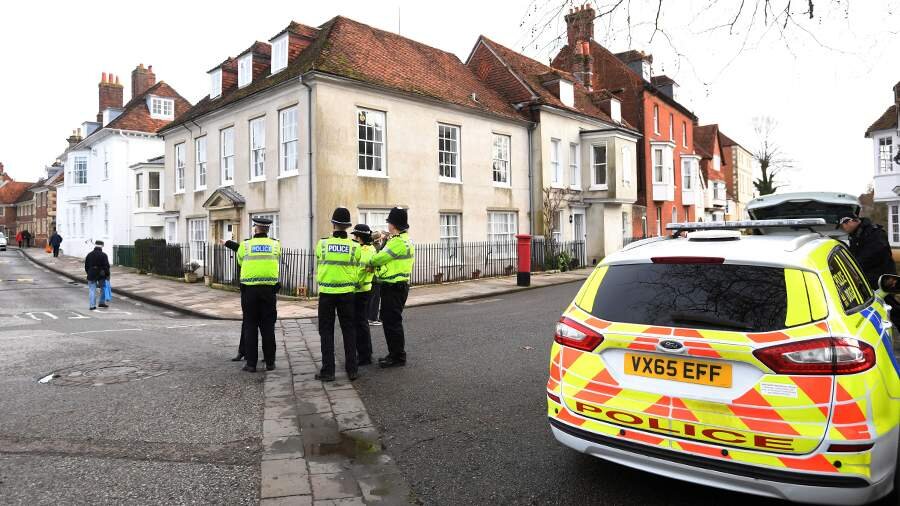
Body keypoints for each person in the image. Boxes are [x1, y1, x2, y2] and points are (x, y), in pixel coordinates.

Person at [315, 207, 361, 382]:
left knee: (326, 331)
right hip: (347, 293)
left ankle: (328, 371)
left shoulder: (323, 244)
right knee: (349, 330)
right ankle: (352, 370)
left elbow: (319, 259)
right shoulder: (354, 246)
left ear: (333, 224)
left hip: (327, 293)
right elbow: (357, 264)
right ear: (348, 226)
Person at [367, 207, 415, 368]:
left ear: (393, 224)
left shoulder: (397, 242)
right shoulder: (404, 240)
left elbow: (378, 259)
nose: (387, 226)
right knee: (391, 321)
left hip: (394, 287)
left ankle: (397, 357)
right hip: (397, 286)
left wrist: (372, 259)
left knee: (392, 322)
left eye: (389, 223)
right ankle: (394, 354)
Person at [236, 217, 281, 373]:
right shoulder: (276, 245)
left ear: (255, 228)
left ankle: (251, 364)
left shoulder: (245, 245)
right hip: (269, 291)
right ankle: (270, 362)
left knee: (250, 326)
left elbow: (240, 261)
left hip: (250, 291)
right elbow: (276, 259)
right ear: (267, 229)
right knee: (268, 326)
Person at [840, 215, 896, 289]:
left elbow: (874, 254)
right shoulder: (856, 234)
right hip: (867, 280)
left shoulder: (874, 233)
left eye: (843, 225)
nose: (843, 228)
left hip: (882, 281)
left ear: (850, 221)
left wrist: (854, 267)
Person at [351, 224, 376, 366]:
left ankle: (364, 356)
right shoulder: (370, 248)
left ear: (359, 237)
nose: (354, 238)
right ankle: (364, 354)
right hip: (364, 289)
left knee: (360, 324)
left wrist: (352, 282)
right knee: (361, 323)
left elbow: (361, 270)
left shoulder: (364, 250)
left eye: (355, 235)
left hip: (359, 290)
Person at [84, 240, 111, 310]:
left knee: (92, 290)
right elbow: (106, 266)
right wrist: (107, 275)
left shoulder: (89, 254)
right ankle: (102, 302)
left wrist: (88, 272)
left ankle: (92, 305)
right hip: (101, 274)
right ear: (102, 246)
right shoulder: (104, 255)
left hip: (92, 274)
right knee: (103, 288)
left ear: (95, 245)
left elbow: (86, 266)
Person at [367, 231, 385, 326]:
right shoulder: (378, 248)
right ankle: (373, 318)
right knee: (376, 299)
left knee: (370, 298)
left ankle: (368, 317)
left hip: (370, 277)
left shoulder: (370, 247)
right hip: (377, 278)